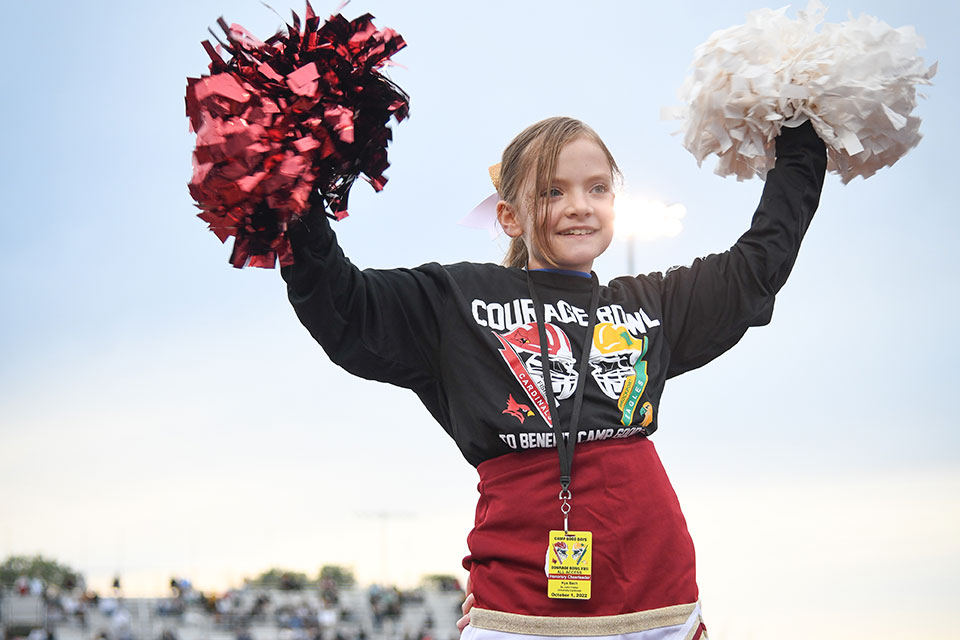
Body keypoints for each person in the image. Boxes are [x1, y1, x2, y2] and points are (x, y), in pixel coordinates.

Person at [282, 116, 827, 640]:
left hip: (659, 604)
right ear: (509, 217)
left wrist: (799, 139)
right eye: (552, 192)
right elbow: (344, 305)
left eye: (597, 188)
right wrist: (290, 189)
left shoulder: (652, 304)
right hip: (520, 610)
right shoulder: (455, 301)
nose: (579, 208)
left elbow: (760, 263)